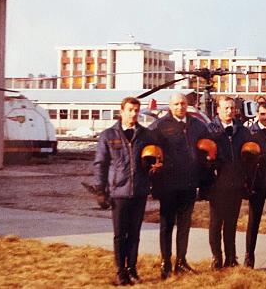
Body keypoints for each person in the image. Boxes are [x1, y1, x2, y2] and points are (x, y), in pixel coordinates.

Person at [93, 97, 160, 285]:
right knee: (120, 234)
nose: (133, 114)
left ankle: (132, 268)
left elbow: (155, 157)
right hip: (119, 192)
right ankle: (120, 271)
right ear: (121, 111)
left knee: (135, 233)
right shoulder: (108, 135)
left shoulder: (146, 135)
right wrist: (100, 190)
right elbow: (100, 164)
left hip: (139, 191)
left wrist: (153, 168)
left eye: (136, 110)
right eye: (130, 110)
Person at [149, 93, 208, 279]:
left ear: (187, 104)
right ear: (169, 105)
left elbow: (208, 145)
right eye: (176, 104)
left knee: (185, 225)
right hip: (168, 185)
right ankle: (165, 262)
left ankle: (181, 261)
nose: (180, 107)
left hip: (189, 183)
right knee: (167, 225)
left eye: (183, 103)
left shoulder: (197, 125)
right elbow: (148, 149)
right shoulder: (160, 126)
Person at [206, 96, 251, 269]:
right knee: (216, 223)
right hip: (217, 185)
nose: (229, 111)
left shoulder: (242, 130)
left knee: (231, 223)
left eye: (232, 108)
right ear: (218, 110)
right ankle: (216, 257)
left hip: (236, 183)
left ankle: (231, 257)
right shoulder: (210, 130)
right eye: (226, 108)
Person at [244, 102, 266, 268]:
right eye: (262, 114)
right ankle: (249, 256)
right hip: (256, 183)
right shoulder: (250, 133)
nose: (265, 117)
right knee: (253, 221)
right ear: (257, 114)